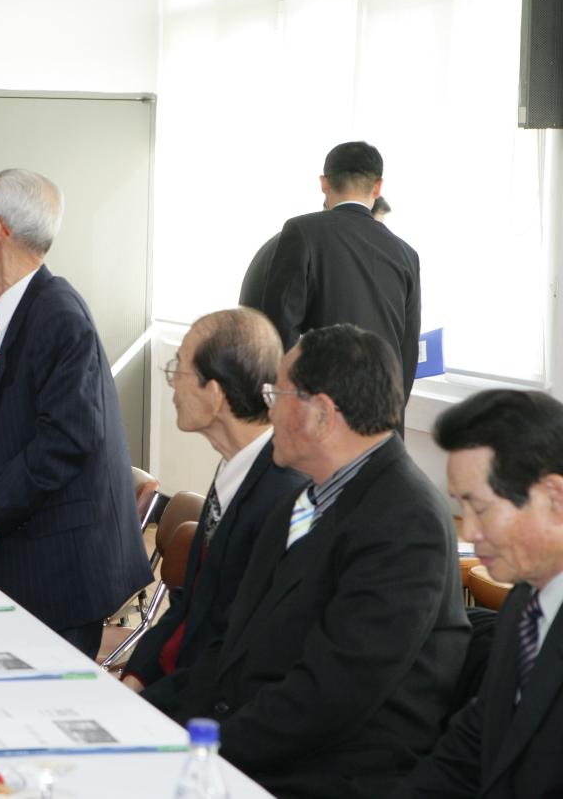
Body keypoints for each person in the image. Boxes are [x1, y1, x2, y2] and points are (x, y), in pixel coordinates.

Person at [154, 324, 468, 799]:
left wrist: (201, 748)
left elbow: (333, 695)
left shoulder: (406, 522)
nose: (267, 407)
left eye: (277, 392)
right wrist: (148, 711)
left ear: (321, 413)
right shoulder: (305, 499)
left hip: (333, 771)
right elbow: (232, 647)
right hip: (265, 741)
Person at [0, 169, 153, 657]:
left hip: (61, 563)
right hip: (35, 547)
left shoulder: (57, 315)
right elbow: (2, 435)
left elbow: (67, 440)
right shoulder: (16, 309)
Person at [120, 308, 305, 699]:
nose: (171, 384)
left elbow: (243, 645)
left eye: (179, 370)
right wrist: (136, 676)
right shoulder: (236, 467)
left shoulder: (283, 496)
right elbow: (191, 600)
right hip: (181, 685)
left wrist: (154, 701)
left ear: (216, 394)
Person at [396, 389, 563, 798]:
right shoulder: (526, 603)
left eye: (480, 507)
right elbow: (471, 746)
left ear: (554, 498)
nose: (468, 532)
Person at [238, 141, 422, 402]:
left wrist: (284, 401)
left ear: (324, 183)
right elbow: (408, 346)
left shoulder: (302, 232)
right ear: (378, 186)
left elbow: (280, 326)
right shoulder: (406, 253)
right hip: (382, 407)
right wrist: (393, 408)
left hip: (320, 403)